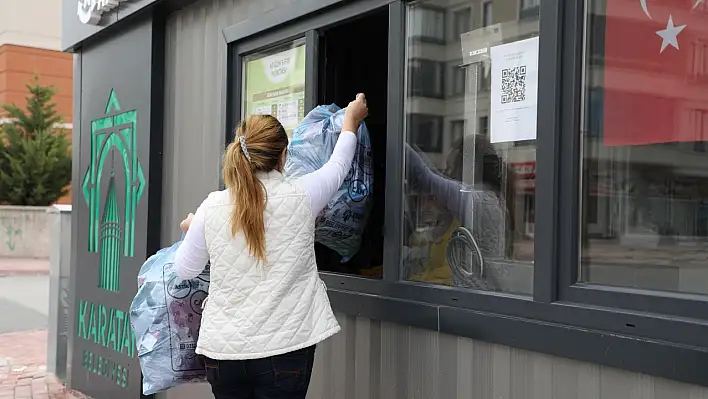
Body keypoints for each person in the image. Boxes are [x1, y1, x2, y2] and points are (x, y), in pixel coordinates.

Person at [174, 94, 368, 399]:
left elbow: (184, 268)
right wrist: (351, 120)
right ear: (283, 156)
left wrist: (192, 230)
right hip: (284, 352)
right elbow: (339, 164)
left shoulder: (211, 207)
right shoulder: (303, 194)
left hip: (223, 355)